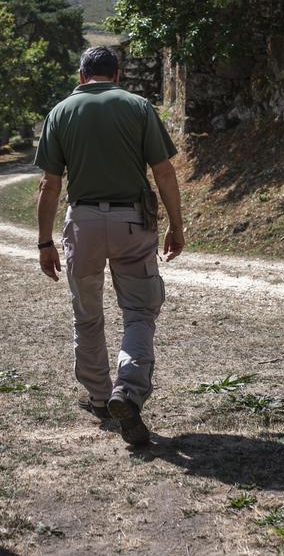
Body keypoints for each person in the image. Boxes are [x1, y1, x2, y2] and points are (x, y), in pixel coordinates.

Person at [33, 46, 185, 445]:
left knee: (86, 314)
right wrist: (176, 224)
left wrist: (44, 241)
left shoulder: (61, 112)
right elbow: (164, 171)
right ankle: (128, 391)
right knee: (138, 311)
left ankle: (100, 397)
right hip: (132, 222)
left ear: (81, 76)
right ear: (117, 75)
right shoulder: (138, 107)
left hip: (81, 222)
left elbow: (50, 185)